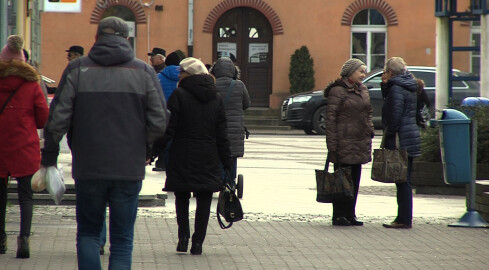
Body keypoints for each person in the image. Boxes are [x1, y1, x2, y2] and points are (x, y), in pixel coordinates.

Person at [41, 17, 169, 269]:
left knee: (88, 234)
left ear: (97, 38)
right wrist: (145, 147)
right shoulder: (143, 71)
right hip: (128, 168)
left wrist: (49, 155)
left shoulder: (77, 69)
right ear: (127, 39)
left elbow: (57, 119)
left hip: (89, 167)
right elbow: (159, 120)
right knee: (122, 240)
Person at [162, 57, 232, 255]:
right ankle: (198, 242)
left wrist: (153, 152)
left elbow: (169, 129)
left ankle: (183, 237)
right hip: (208, 156)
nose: (179, 76)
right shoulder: (216, 97)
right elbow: (222, 135)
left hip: (182, 154)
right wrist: (226, 161)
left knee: (182, 197)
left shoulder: (178, 94)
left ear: (189, 74)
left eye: (181, 72)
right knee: (204, 199)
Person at [0, 35, 49, 258]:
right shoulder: (32, 84)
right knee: (25, 194)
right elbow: (42, 117)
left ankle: (0, 239)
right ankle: (24, 239)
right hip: (24, 146)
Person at [323, 58, 374, 227]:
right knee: (341, 180)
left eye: (364, 71)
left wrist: (370, 129)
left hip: (359, 141)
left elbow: (368, 113)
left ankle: (351, 214)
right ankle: (339, 215)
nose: (363, 74)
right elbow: (330, 120)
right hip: (343, 142)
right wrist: (332, 144)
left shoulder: (363, 89)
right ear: (350, 73)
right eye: (360, 71)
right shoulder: (338, 91)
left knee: (355, 179)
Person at [380, 57, 421, 229]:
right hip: (410, 134)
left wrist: (389, 134)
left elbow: (394, 114)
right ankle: (403, 217)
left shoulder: (397, 88)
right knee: (405, 179)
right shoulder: (409, 85)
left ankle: (403, 219)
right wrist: (385, 86)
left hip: (401, 137)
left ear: (390, 72)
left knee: (402, 180)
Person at [211, 57, 250, 179]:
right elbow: (246, 104)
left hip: (216, 127)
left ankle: (218, 179)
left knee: (217, 155)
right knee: (232, 156)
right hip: (235, 127)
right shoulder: (239, 85)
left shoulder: (212, 85)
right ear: (233, 70)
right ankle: (230, 183)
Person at [152, 52, 182, 171]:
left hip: (163, 111)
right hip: (179, 111)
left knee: (164, 136)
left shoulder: (159, 77)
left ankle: (162, 162)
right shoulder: (183, 76)